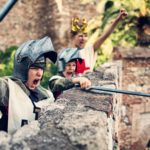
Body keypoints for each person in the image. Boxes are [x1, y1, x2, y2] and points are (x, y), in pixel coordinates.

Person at [0, 36, 58, 134]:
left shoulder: (47, 95)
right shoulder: (7, 88)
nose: (40, 73)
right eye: (35, 68)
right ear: (22, 69)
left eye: (41, 68)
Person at [58, 9, 128, 74]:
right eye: (80, 36)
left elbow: (105, 35)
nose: (83, 39)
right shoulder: (65, 53)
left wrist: (117, 20)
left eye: (85, 36)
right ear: (72, 37)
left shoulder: (90, 50)